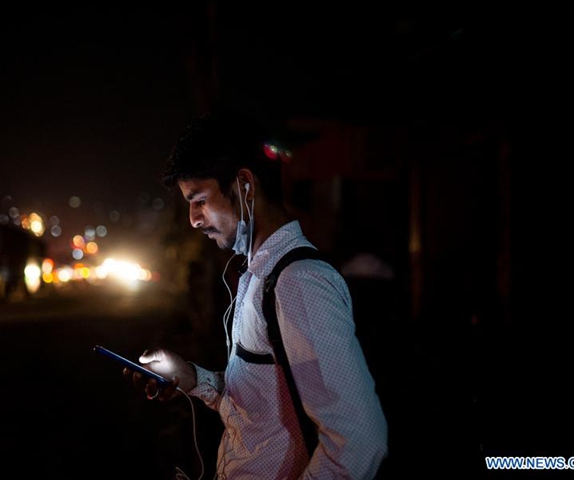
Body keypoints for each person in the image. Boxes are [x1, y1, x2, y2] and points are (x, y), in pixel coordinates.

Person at [125, 111, 388, 479]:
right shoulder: (258, 275)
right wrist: (192, 378)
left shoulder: (298, 283)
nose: (194, 219)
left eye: (199, 199)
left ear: (245, 185)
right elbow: (262, 404)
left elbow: (358, 442)